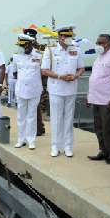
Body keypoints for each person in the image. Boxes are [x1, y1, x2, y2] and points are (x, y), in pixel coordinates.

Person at [41, 25, 85, 158]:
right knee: (56, 118)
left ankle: (68, 146)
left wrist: (75, 76)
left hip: (71, 89)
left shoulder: (76, 49)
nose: (70, 39)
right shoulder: (50, 50)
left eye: (72, 36)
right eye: (68, 36)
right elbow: (44, 70)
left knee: (68, 118)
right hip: (56, 88)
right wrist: (60, 76)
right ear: (61, 37)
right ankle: (55, 145)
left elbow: (81, 68)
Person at [86, 34, 110, 164]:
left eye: (100, 43)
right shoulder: (98, 58)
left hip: (107, 100)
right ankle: (103, 150)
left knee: (108, 127)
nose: (97, 45)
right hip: (95, 98)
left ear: (108, 43)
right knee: (98, 127)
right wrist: (89, 97)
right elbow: (94, 78)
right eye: (97, 42)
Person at [12, 34, 43, 149]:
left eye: (25, 45)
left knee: (32, 116)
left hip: (34, 90)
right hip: (21, 90)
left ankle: (31, 140)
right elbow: (15, 73)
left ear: (29, 44)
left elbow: (43, 71)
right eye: (21, 46)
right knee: (21, 116)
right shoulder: (16, 56)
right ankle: (21, 139)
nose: (23, 48)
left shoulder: (39, 55)